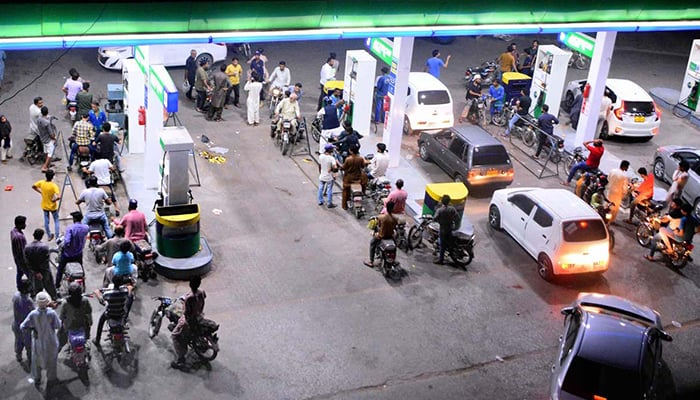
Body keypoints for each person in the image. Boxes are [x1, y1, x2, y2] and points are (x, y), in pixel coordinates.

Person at [20, 291, 61, 388]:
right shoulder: (52, 313)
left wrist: (33, 329)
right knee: (51, 361)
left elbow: (23, 326)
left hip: (38, 342)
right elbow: (58, 325)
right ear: (48, 301)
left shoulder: (33, 314)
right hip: (51, 342)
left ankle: (37, 378)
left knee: (36, 361)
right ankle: (51, 379)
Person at [171, 275, 207, 370]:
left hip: (189, 321)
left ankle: (180, 359)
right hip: (199, 316)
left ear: (190, 284)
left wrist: (183, 304)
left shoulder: (189, 298)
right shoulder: (202, 292)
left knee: (175, 335)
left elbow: (187, 312)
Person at [92, 274, 131, 347]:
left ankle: (97, 340)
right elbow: (129, 290)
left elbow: (102, 301)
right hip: (120, 314)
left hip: (110, 314)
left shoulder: (107, 293)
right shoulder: (125, 291)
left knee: (101, 321)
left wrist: (97, 292)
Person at [55, 211, 88, 289]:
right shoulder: (86, 227)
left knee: (60, 269)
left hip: (68, 254)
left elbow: (67, 242)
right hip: (79, 253)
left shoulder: (70, 228)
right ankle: (83, 283)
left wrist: (64, 247)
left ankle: (57, 286)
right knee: (81, 268)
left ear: (74, 219)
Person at [58, 282, 92, 351]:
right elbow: (89, 314)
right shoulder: (85, 301)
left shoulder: (65, 303)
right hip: (82, 325)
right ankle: (86, 339)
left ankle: (60, 346)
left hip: (69, 326)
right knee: (88, 328)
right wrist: (90, 322)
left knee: (60, 333)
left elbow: (61, 317)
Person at [24, 229, 57, 298]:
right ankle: (54, 299)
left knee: (37, 290)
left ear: (33, 235)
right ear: (41, 236)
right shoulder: (45, 247)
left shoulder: (27, 247)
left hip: (34, 273)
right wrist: (41, 272)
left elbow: (27, 262)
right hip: (45, 271)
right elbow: (46, 261)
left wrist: (36, 272)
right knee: (50, 287)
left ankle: (40, 302)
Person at [364, 201, 398, 268]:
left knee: (372, 243)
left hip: (381, 236)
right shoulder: (395, 218)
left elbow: (378, 225)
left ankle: (371, 261)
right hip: (390, 236)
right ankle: (393, 260)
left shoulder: (381, 217)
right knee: (394, 246)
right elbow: (394, 227)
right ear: (393, 208)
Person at [32, 169, 61, 241]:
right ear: (52, 177)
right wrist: (54, 200)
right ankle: (57, 236)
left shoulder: (41, 183)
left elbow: (33, 186)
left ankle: (49, 235)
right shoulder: (54, 186)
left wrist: (40, 192)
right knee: (56, 220)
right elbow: (59, 196)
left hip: (44, 205)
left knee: (46, 221)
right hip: (53, 206)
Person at [433, 195, 459, 264]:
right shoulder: (452, 209)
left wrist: (436, 220)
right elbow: (457, 217)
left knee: (442, 245)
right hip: (450, 228)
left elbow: (435, 218)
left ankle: (441, 260)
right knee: (449, 242)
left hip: (443, 229)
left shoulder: (440, 210)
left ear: (442, 202)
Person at [12, 278, 34, 363]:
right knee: (28, 344)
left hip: (16, 323)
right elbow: (33, 311)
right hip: (26, 326)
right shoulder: (28, 300)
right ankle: (30, 359)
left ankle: (18, 355)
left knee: (18, 341)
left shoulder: (16, 295)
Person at [340, 145, 368, 210]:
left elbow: (343, 168)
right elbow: (363, 167)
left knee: (345, 191)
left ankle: (344, 205)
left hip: (348, 179)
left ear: (351, 151)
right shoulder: (360, 158)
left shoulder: (348, 159)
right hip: (358, 178)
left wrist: (339, 165)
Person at [37, 106, 57, 173]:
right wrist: (54, 138)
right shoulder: (47, 123)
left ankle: (48, 164)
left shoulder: (39, 119)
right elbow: (51, 133)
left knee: (46, 152)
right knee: (50, 154)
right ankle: (45, 166)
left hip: (42, 138)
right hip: (48, 139)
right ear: (47, 112)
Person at [11, 215, 29, 290]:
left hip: (17, 258)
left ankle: (19, 284)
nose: (25, 225)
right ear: (19, 224)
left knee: (19, 272)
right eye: (24, 223)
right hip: (22, 260)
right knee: (29, 273)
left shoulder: (13, 231)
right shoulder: (19, 237)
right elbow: (22, 251)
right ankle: (32, 288)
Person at [318, 143, 338, 208]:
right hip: (329, 177)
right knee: (329, 190)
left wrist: (320, 172)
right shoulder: (331, 158)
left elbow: (319, 166)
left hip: (322, 175)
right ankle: (329, 203)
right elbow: (335, 167)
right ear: (330, 150)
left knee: (320, 188)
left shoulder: (321, 156)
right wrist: (332, 169)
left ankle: (320, 201)